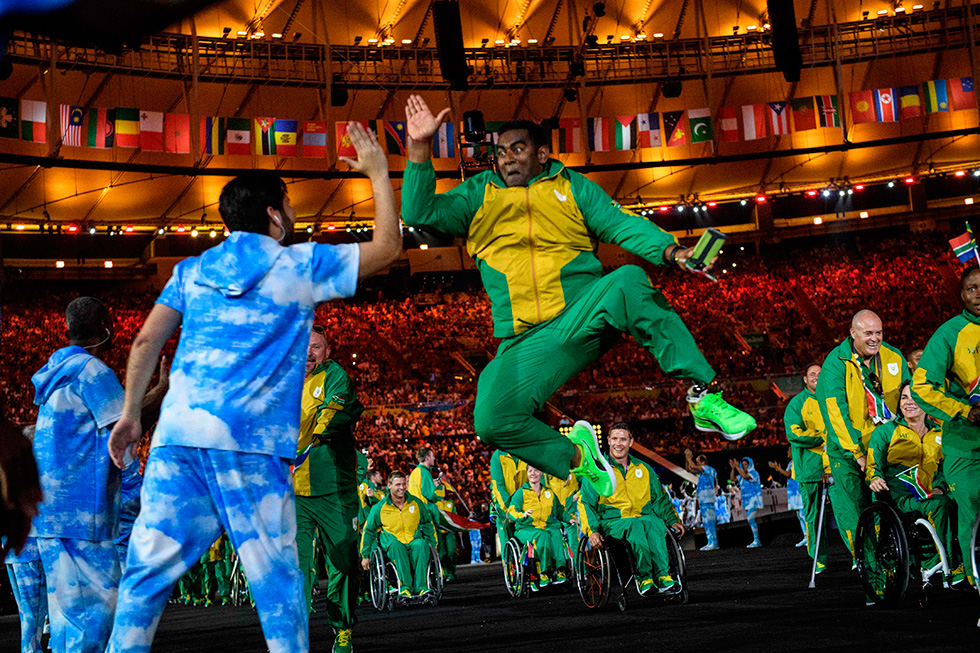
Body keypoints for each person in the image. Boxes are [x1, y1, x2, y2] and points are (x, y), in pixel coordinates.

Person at [105, 123, 401, 653]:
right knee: (278, 587)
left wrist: (130, 414)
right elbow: (387, 247)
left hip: (177, 440)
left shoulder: (191, 271)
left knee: (144, 578)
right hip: (250, 446)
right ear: (273, 216)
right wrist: (379, 171)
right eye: (287, 206)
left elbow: (146, 341)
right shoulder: (298, 264)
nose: (292, 215)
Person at [400, 96, 755, 497]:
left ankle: (704, 395)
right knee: (491, 419)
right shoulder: (476, 195)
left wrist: (671, 251)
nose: (506, 160)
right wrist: (419, 147)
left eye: (517, 150)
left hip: (583, 312)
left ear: (542, 153)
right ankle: (576, 457)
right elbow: (417, 214)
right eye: (500, 153)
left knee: (627, 279)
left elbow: (619, 224)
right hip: (525, 339)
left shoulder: (573, 187)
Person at [31, 297, 168, 652]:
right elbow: (126, 431)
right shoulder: (92, 372)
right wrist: (162, 391)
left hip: (51, 521)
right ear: (106, 327)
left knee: (66, 628)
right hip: (85, 523)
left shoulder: (55, 375)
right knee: (96, 627)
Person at [292, 326, 364, 653]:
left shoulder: (336, 378)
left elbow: (331, 414)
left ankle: (343, 629)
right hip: (293, 494)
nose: (309, 353)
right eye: (304, 347)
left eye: (316, 347)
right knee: (295, 564)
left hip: (334, 490)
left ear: (327, 351)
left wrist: (307, 444)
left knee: (345, 562)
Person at [817, 309, 908, 563]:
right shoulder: (836, 364)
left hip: (886, 447)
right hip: (848, 454)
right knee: (855, 515)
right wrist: (858, 454)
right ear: (853, 333)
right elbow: (836, 415)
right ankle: (871, 573)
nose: (874, 338)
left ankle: (896, 566)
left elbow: (909, 399)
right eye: (868, 333)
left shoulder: (893, 357)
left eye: (878, 332)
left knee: (895, 506)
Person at [912, 266, 980, 585]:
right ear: (961, 295)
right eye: (971, 288)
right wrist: (963, 411)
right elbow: (922, 387)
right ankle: (974, 580)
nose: (978, 293)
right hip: (967, 447)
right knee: (973, 516)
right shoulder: (949, 333)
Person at [866, 383, 965, 586]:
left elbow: (946, 468)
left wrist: (941, 486)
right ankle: (953, 565)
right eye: (904, 398)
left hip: (934, 492)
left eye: (915, 397)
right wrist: (875, 478)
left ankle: (949, 559)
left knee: (965, 501)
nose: (909, 402)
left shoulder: (940, 433)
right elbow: (873, 462)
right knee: (940, 506)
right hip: (902, 497)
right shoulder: (886, 432)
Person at [579, 424, 684, 593]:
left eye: (623, 439)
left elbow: (660, 499)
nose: (618, 444)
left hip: (642, 517)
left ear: (631, 442)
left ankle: (663, 576)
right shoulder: (598, 471)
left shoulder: (644, 468)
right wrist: (592, 530)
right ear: (608, 441)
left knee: (655, 523)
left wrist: (673, 520)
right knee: (636, 525)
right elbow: (586, 503)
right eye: (614, 439)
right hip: (613, 522)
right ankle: (645, 578)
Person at [782, 363, 831, 570]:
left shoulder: (832, 398)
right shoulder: (797, 404)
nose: (816, 377)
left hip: (837, 465)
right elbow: (794, 433)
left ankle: (859, 556)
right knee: (812, 516)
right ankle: (818, 558)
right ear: (805, 379)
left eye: (820, 373)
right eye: (812, 374)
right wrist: (823, 437)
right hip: (810, 470)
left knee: (848, 511)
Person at [359, 471, 438, 599]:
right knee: (397, 547)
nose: (402, 487)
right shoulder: (380, 507)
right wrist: (366, 555)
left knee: (421, 544)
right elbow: (369, 531)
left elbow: (427, 523)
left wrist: (433, 544)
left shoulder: (416, 503)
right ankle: (405, 588)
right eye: (397, 485)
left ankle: (422, 588)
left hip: (413, 541)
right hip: (392, 543)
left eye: (403, 484)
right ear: (389, 486)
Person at [505, 465, 571, 590]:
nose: (533, 473)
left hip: (547, 526)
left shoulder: (549, 492)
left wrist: (570, 518)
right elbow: (512, 511)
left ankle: (560, 570)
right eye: (530, 471)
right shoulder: (521, 492)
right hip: (525, 528)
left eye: (536, 470)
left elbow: (559, 511)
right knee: (542, 535)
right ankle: (543, 572)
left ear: (541, 473)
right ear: (527, 473)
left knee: (556, 533)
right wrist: (522, 515)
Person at [407, 446, 457, 581]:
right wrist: (439, 488)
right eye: (433, 455)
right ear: (427, 457)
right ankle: (430, 577)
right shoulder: (424, 472)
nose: (434, 458)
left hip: (415, 514)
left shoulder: (415, 473)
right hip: (426, 515)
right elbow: (429, 494)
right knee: (433, 548)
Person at [489, 449, 528, 556]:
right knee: (507, 535)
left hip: (524, 503)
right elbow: (498, 486)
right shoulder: (498, 456)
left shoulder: (526, 451)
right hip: (504, 506)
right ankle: (508, 565)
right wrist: (508, 509)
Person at [685, 449, 719, 550]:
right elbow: (690, 469)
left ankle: (713, 542)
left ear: (703, 462)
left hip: (708, 499)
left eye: (698, 461)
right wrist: (686, 459)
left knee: (710, 521)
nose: (696, 464)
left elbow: (694, 467)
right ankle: (711, 541)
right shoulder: (702, 473)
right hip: (704, 499)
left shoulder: (709, 469)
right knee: (706, 521)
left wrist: (688, 457)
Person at [730, 458, 763, 548]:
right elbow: (732, 479)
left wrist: (737, 468)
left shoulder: (754, 473)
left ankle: (757, 540)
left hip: (753, 500)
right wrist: (733, 468)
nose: (744, 466)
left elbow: (745, 477)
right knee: (750, 520)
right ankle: (756, 539)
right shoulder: (741, 474)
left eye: (746, 464)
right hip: (746, 501)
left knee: (751, 519)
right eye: (743, 465)